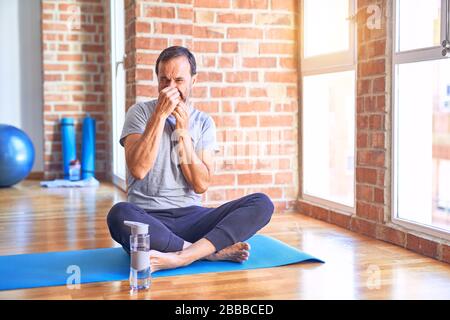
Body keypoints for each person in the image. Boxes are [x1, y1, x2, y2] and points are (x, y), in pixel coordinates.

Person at [107, 46, 274, 272]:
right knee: (118, 214)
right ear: (157, 80)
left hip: (193, 218)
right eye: (164, 80)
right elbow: (138, 169)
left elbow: (201, 184)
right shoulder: (139, 113)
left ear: (193, 81)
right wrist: (159, 116)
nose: (170, 88)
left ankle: (182, 256)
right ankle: (209, 253)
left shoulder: (203, 122)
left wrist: (183, 131)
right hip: (149, 219)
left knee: (262, 203)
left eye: (178, 81)